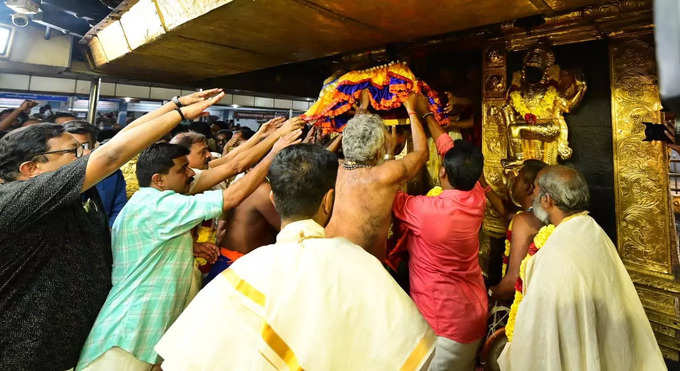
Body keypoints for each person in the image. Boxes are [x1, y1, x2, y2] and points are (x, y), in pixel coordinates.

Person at [155, 143, 436, 370]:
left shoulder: (242, 273)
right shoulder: (363, 266)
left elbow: (185, 358)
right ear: (329, 200)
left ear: (274, 201)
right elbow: (413, 349)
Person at [0, 88, 225, 370]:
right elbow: (110, 155)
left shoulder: (73, 194)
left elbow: (114, 145)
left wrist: (173, 105)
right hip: (26, 350)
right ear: (31, 168)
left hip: (71, 339)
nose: (85, 156)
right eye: (73, 151)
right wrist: (179, 114)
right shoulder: (16, 200)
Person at [77, 129, 301, 370]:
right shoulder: (158, 204)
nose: (191, 173)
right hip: (130, 330)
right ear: (158, 179)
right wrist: (273, 153)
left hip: (145, 330)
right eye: (182, 169)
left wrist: (188, 247)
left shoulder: (153, 202)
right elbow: (231, 197)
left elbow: (232, 166)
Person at [497, 165, 666, 371]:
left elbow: (536, 335)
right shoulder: (593, 232)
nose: (534, 196)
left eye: (538, 192)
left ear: (547, 200)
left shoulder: (554, 253)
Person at [391, 111, 489, 371]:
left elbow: (390, 189)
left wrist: (390, 152)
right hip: (474, 317)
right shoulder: (476, 196)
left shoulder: (427, 212)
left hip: (444, 327)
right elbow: (447, 146)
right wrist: (423, 113)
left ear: (442, 172)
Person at [325, 93, 429, 258]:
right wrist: (412, 111)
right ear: (380, 148)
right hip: (363, 265)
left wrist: (358, 120)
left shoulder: (333, 168)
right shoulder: (385, 175)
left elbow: (320, 156)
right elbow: (422, 153)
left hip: (328, 253)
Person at [489, 159, 546, 301]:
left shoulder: (523, 221)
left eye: (518, 177)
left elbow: (512, 284)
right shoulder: (539, 216)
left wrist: (488, 294)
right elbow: (507, 213)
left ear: (529, 187)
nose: (513, 180)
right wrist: (484, 185)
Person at [65, 120, 128, 227]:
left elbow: (119, 209)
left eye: (84, 146)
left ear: (94, 146)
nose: (80, 153)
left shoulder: (111, 174)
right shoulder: (52, 176)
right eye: (72, 149)